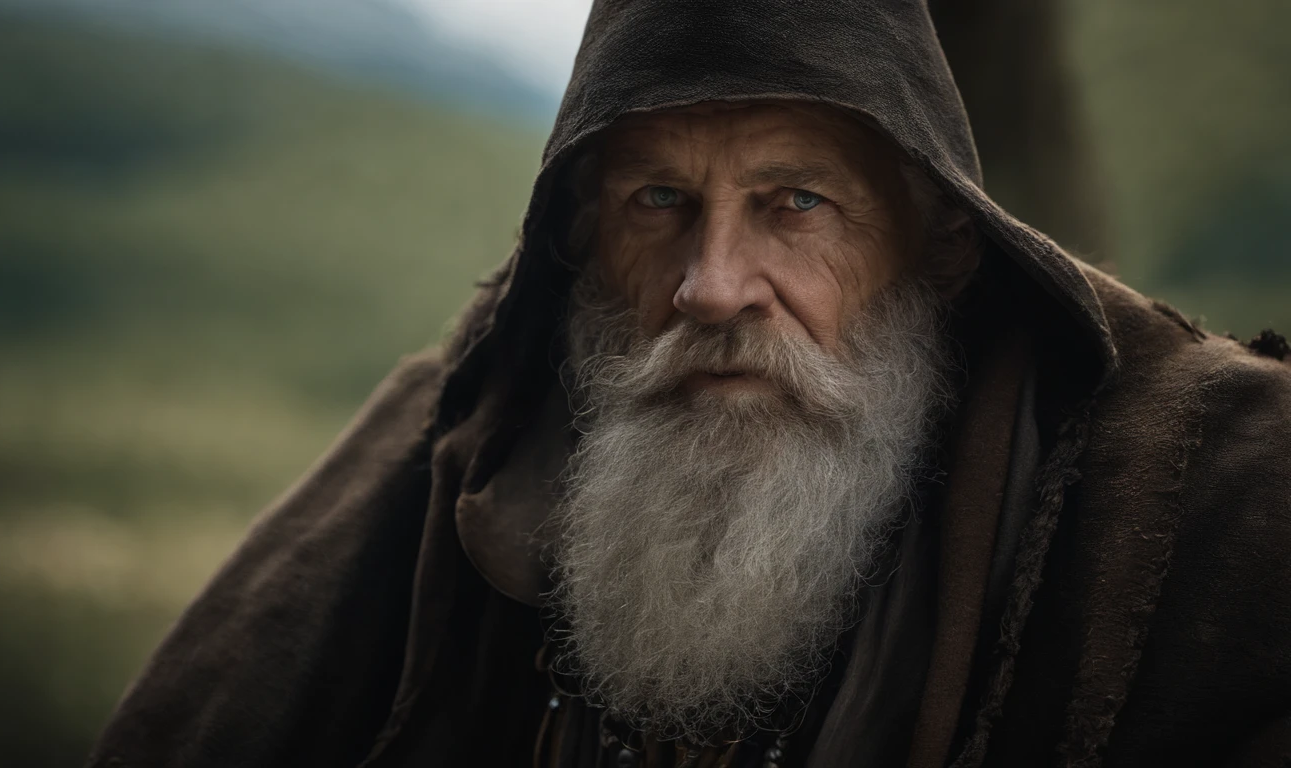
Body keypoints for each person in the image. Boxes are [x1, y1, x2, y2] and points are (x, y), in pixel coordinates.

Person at [84, 2, 1291, 767]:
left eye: (796, 205)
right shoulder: (460, 452)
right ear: (578, 247)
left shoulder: (1214, 494)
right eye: (657, 201)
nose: (712, 286)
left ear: (939, 249)